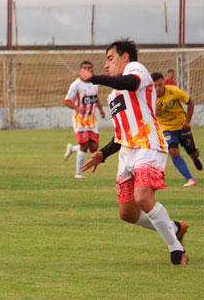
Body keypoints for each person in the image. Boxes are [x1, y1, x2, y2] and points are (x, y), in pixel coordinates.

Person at [80, 39, 189, 265]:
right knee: (127, 213)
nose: (106, 65)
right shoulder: (113, 97)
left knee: (142, 197)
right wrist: (103, 153)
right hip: (127, 152)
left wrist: (95, 79)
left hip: (149, 145)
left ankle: (176, 250)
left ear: (125, 57)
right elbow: (121, 134)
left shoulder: (136, 70)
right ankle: (175, 228)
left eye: (110, 58)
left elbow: (129, 82)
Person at [152, 72, 202, 186]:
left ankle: (195, 158)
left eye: (160, 85)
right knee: (173, 151)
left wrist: (187, 121)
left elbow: (190, 102)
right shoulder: (149, 97)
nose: (158, 88)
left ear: (164, 82)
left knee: (192, 151)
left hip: (182, 126)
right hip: (167, 129)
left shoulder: (173, 91)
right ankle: (190, 179)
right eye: (155, 86)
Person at [63, 61, 106, 178]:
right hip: (80, 119)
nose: (87, 69)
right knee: (84, 145)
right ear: (80, 70)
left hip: (92, 120)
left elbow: (95, 98)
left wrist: (101, 110)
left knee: (94, 148)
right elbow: (66, 101)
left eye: (89, 68)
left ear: (92, 70)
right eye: (84, 68)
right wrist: (77, 108)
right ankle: (78, 173)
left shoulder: (95, 83)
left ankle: (72, 149)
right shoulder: (76, 84)